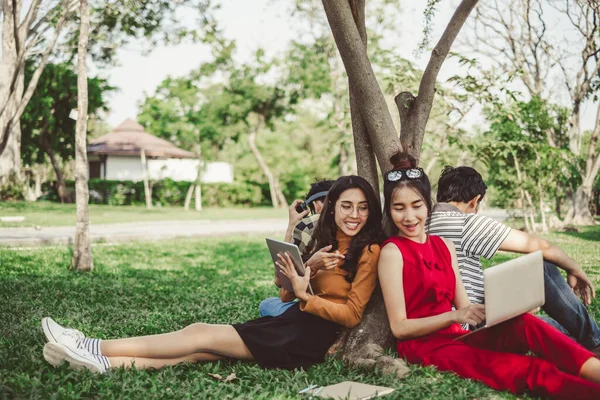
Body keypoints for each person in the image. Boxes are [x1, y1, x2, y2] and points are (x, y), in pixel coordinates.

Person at [41, 175, 383, 373]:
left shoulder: (368, 250)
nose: (354, 214)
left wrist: (307, 295)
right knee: (199, 352)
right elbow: (286, 296)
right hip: (293, 322)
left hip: (308, 336)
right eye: (347, 206)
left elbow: (352, 314)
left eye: (362, 207)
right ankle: (103, 364)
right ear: (334, 207)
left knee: (200, 332)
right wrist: (305, 272)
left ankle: (90, 343)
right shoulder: (323, 242)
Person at [378, 152, 600, 399]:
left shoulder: (444, 246)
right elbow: (399, 328)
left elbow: (467, 309)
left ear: (427, 205)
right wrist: (454, 315)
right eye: (399, 208)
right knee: (530, 368)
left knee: (528, 325)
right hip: (425, 349)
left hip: (459, 337)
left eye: (416, 206)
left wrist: (509, 307)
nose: (409, 217)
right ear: (389, 210)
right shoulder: (392, 252)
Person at [427, 166, 600, 351]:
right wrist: (574, 268)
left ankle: (588, 340)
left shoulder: (423, 224)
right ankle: (595, 342)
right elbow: (542, 247)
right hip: (472, 329)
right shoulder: (466, 223)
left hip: (449, 326)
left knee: (556, 327)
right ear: (475, 200)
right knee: (543, 269)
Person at [259, 179, 344, 318]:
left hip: (316, 308)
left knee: (267, 304)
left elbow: (281, 284)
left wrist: (291, 226)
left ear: (316, 205)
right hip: (341, 309)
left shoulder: (308, 226)